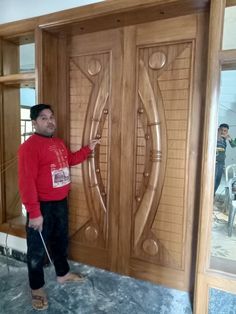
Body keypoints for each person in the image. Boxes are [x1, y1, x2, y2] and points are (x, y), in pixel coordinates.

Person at [18, 104, 100, 310]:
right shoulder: (29, 147)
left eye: (51, 117)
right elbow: (26, 183)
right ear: (34, 122)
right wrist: (34, 213)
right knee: (37, 250)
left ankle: (63, 274)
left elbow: (69, 160)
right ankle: (36, 288)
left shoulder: (58, 143)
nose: (50, 121)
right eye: (44, 118)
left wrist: (88, 149)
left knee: (60, 241)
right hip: (41, 206)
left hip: (60, 202)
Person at [214, 123, 236, 195]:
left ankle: (212, 196)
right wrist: (218, 135)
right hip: (215, 162)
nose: (223, 132)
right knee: (213, 180)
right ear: (218, 130)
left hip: (221, 163)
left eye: (225, 131)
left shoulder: (225, 138)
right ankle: (210, 196)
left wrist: (229, 138)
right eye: (221, 130)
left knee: (218, 181)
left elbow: (233, 145)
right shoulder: (215, 137)